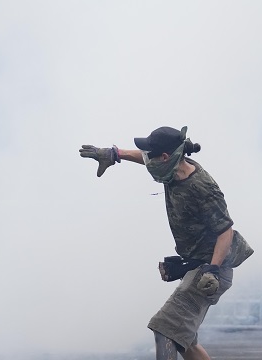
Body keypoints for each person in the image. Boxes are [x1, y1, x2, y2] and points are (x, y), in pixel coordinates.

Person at [80, 126, 243, 360]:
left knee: (164, 329)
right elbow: (144, 157)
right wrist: (114, 154)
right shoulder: (171, 167)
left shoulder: (202, 187)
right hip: (197, 265)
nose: (148, 159)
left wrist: (212, 270)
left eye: (153, 154)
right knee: (183, 339)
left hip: (210, 271)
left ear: (165, 157)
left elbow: (226, 231)